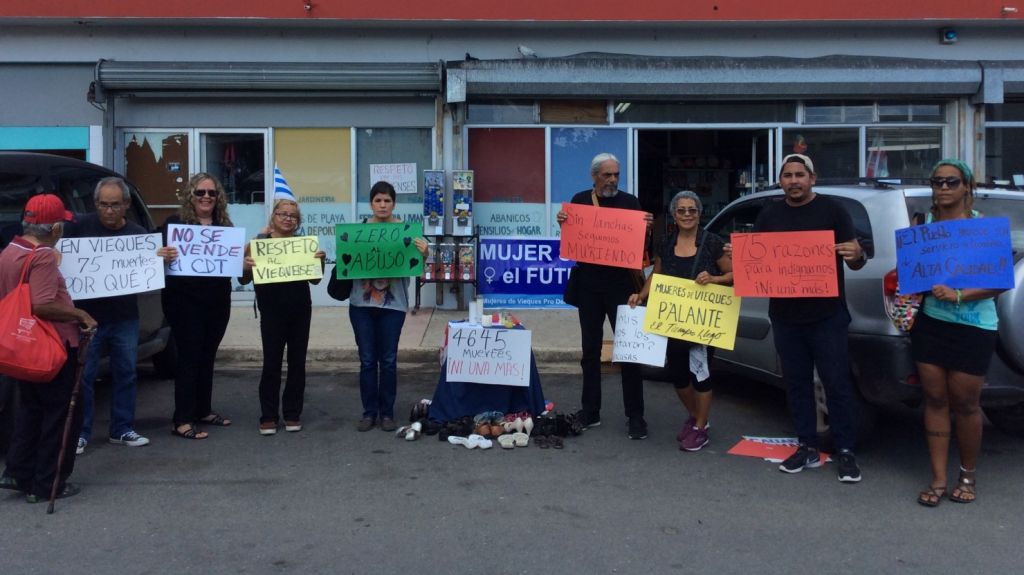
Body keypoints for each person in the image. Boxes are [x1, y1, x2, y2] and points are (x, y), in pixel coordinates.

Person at [753, 153, 867, 482]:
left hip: (827, 315)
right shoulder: (770, 214)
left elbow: (856, 260)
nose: (793, 181)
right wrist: (742, 259)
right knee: (797, 384)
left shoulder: (833, 211)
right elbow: (758, 263)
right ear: (780, 181)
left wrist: (857, 254)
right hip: (786, 316)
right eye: (787, 176)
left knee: (836, 384)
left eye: (799, 175)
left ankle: (845, 451)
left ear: (812, 178)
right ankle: (806, 445)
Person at [912, 159, 1005, 506]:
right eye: (937, 181)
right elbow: (914, 272)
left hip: (974, 326)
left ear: (967, 186)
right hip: (931, 323)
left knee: (966, 404)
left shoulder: (984, 228)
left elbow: (998, 282)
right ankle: (938, 478)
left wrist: (959, 294)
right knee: (935, 400)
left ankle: (967, 475)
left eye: (952, 182)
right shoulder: (923, 225)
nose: (944, 188)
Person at [64, 177, 177, 455]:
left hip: (125, 317)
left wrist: (160, 259)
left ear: (126, 204)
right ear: (95, 204)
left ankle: (122, 428)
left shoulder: (138, 235)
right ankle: (81, 432)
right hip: (87, 319)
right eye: (103, 205)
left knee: (126, 373)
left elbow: (152, 278)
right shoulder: (77, 229)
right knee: (85, 376)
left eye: (115, 205)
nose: (109, 211)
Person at [0, 194, 97, 502]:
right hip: (51, 345)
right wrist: (79, 314)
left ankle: (18, 471)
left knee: (30, 410)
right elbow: (42, 305)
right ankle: (48, 483)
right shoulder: (42, 256)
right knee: (61, 413)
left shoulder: (10, 250)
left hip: (21, 345)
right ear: (54, 228)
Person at [556, 152, 654, 440]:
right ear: (594, 176)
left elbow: (641, 250)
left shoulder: (630, 203)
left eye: (616, 175)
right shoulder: (580, 201)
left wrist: (646, 230)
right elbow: (572, 242)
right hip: (588, 286)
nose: (612, 180)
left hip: (621, 287)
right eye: (607, 175)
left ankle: (635, 415)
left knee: (629, 353)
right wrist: (564, 223)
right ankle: (590, 411)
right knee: (590, 351)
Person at [628, 190, 732, 451]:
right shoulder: (665, 242)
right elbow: (657, 274)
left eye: (692, 210)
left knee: (701, 376)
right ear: (674, 214)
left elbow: (734, 274)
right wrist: (640, 295)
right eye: (682, 210)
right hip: (672, 322)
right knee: (677, 375)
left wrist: (714, 279)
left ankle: (700, 427)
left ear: (699, 214)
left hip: (702, 323)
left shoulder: (712, 243)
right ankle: (697, 418)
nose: (687, 214)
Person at [240, 197, 325, 436]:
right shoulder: (258, 243)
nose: (288, 219)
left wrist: (320, 262)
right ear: (273, 217)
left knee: (297, 363)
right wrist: (246, 266)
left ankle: (292, 412)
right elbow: (243, 279)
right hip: (271, 312)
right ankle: (268, 415)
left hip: (300, 310)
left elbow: (315, 279)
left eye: (293, 216)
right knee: (271, 363)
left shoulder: (303, 244)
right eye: (283, 214)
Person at [350, 181, 428, 433]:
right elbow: (346, 262)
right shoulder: (358, 230)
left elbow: (417, 264)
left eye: (387, 200)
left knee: (389, 360)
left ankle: (387, 413)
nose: (382, 205)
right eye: (377, 200)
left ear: (394, 203)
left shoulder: (407, 232)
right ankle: (368, 412)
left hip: (394, 306)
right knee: (367, 361)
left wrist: (425, 253)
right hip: (361, 305)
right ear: (371, 203)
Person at [161, 173, 234, 440]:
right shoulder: (174, 225)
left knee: (207, 355)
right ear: (190, 196)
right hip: (183, 302)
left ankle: (203, 409)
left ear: (218, 198)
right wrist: (162, 255)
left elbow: (233, 263)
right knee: (189, 357)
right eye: (200, 193)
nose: (206, 197)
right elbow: (153, 258)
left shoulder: (224, 227)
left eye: (211, 193)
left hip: (216, 301)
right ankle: (182, 418)